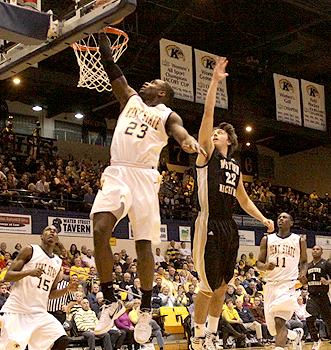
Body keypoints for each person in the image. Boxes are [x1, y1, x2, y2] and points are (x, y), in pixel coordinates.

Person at [90, 31, 205, 342]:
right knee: (100, 229)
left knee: (143, 246)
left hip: (144, 177)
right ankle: (110, 299)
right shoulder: (130, 98)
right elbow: (113, 70)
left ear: (163, 93)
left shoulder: (167, 113)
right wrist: (101, 39)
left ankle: (144, 309)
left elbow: (179, 131)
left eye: (153, 83)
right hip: (117, 172)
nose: (146, 84)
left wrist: (188, 141)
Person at [189, 57, 274, 350]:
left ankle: (212, 334)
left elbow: (245, 199)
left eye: (221, 132)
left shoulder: (235, 167)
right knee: (206, 286)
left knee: (223, 285)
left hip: (229, 226)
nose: (215, 133)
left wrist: (263, 219)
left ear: (230, 140)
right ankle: (197, 337)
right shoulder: (206, 156)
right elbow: (207, 116)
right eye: (215, 132)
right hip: (207, 222)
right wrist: (214, 81)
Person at [0, 226, 77, 350]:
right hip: (16, 310)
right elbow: (7, 276)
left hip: (39, 313)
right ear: (42, 237)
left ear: (57, 239)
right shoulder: (30, 250)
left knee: (62, 339)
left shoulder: (58, 262)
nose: (52, 232)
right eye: (48, 229)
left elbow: (51, 293)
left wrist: (66, 290)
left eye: (55, 231)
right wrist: (28, 272)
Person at [256, 213, 307, 350]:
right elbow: (258, 263)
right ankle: (294, 335)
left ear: (291, 223)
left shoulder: (298, 240)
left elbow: (304, 262)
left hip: (287, 284)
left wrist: (303, 273)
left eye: (285, 218)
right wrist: (265, 266)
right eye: (279, 217)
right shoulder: (267, 239)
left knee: (279, 321)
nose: (281, 219)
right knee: (273, 330)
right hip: (270, 285)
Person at [303, 245, 331, 350]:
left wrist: (328, 282)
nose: (315, 251)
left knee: (329, 321)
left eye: (317, 249)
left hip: (324, 296)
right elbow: (305, 281)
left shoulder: (326, 264)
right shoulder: (308, 266)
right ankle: (316, 340)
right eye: (313, 249)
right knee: (309, 319)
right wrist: (302, 279)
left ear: (321, 252)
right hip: (312, 296)